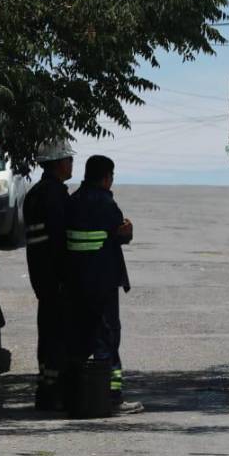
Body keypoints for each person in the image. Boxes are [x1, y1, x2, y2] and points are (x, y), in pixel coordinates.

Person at [65, 155, 142, 414]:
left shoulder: (72, 202)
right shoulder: (106, 204)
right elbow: (121, 232)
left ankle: (77, 395)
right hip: (103, 281)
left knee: (80, 335)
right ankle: (112, 396)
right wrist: (127, 230)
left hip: (76, 282)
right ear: (106, 177)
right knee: (108, 337)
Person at [23, 141, 74, 410]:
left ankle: (45, 388)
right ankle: (55, 392)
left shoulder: (34, 195)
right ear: (57, 163)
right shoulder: (54, 196)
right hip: (56, 279)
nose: (71, 165)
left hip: (41, 278)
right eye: (68, 160)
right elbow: (59, 242)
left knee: (47, 332)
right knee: (57, 335)